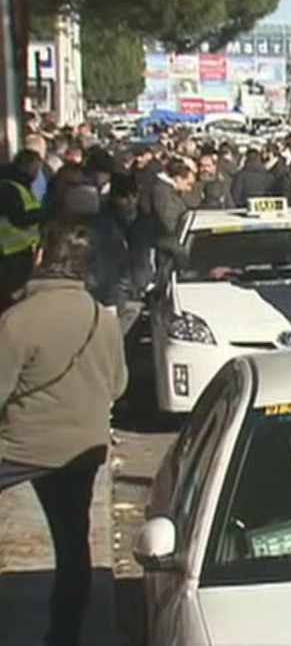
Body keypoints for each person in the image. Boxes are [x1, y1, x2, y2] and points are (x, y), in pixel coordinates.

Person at [0, 219, 128, 646]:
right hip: (83, 448)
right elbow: (118, 386)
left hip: (20, 447)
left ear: (41, 256)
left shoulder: (18, 320)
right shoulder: (101, 319)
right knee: (73, 543)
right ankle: (65, 634)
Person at [0, 149, 45, 313]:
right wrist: (44, 213)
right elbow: (19, 217)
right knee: (10, 297)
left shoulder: (22, 185)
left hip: (21, 251)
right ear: (25, 165)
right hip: (9, 253)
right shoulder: (9, 187)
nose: (37, 174)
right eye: (35, 168)